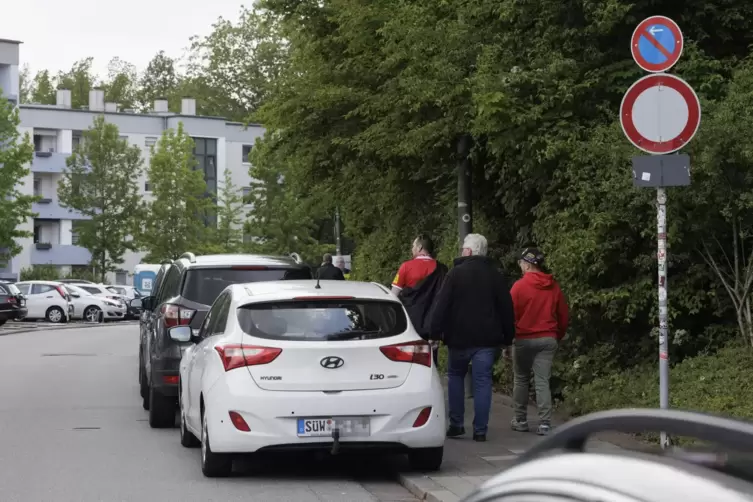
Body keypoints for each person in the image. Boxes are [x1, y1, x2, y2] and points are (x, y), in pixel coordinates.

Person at [429, 233, 515, 442]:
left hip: (458, 338)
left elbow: (442, 305)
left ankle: (457, 424)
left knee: (455, 377)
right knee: (483, 382)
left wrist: (434, 333)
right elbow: (506, 308)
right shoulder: (495, 275)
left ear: (468, 251)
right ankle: (480, 430)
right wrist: (508, 338)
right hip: (487, 340)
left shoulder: (455, 274)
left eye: (463, 249)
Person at [509, 247, 569, 436]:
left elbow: (510, 315)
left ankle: (520, 420)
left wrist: (509, 337)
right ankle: (544, 423)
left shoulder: (518, 287)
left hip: (523, 339)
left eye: (520, 263)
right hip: (548, 339)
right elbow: (564, 316)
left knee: (521, 379)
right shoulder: (553, 287)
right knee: (542, 381)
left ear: (527, 264)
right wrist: (556, 335)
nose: (520, 267)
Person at [391, 235, 447, 364]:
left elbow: (393, 295)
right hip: (433, 325)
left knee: (414, 362)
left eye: (413, 246)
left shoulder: (406, 267)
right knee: (431, 364)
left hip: (412, 324)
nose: (412, 249)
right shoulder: (442, 269)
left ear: (420, 247)